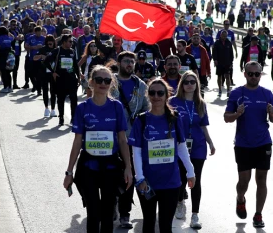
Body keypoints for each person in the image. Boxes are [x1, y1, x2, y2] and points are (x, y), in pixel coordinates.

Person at [63, 65, 133, 233]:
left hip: (111, 167)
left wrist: (128, 168)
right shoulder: (82, 108)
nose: (103, 83)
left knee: (108, 214)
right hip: (88, 166)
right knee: (93, 213)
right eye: (99, 80)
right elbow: (77, 141)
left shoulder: (116, 107)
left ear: (111, 84)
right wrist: (69, 172)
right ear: (91, 82)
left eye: (107, 80)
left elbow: (122, 140)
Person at [128, 78, 196, 233]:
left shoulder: (175, 117)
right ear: (147, 95)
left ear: (167, 95)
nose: (156, 96)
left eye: (160, 92)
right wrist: (139, 178)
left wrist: (190, 171)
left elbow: (181, 147)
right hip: (148, 182)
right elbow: (136, 152)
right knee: (149, 223)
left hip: (171, 182)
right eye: (152, 92)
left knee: (166, 226)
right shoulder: (141, 119)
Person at [224, 61, 273, 228]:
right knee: (244, 181)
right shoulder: (236, 93)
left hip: (263, 142)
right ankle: (240, 198)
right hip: (243, 143)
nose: (254, 77)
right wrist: (236, 114)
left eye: (257, 74)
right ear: (245, 74)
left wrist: (272, 114)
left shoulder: (267, 94)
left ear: (260, 75)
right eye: (251, 74)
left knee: (261, 180)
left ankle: (258, 214)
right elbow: (227, 117)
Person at [169, 71, 215, 229]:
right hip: (179, 146)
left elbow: (203, 126)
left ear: (197, 85)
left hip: (198, 146)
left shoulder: (200, 103)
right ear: (182, 84)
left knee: (195, 179)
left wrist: (210, 143)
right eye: (187, 82)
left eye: (193, 82)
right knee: (181, 178)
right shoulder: (173, 101)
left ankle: (195, 215)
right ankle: (180, 203)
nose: (189, 84)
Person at [111, 51, 149, 229]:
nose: (129, 64)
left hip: (133, 139)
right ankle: (112, 203)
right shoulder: (109, 82)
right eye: (126, 61)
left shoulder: (140, 85)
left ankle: (125, 213)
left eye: (131, 62)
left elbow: (145, 110)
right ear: (119, 63)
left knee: (129, 176)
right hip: (110, 139)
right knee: (110, 176)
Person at [44, 34, 82, 125]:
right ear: (64, 42)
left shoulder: (72, 51)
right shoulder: (57, 51)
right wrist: (53, 72)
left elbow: (76, 66)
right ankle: (61, 117)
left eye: (72, 41)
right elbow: (45, 61)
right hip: (60, 79)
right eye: (70, 41)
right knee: (60, 99)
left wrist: (79, 77)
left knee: (74, 99)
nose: (71, 43)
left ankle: (73, 118)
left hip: (72, 79)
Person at [33, 35, 58, 117]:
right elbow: (34, 58)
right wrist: (41, 56)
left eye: (51, 41)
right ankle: (46, 108)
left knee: (53, 92)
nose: (50, 42)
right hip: (44, 73)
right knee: (45, 91)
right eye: (48, 41)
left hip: (53, 73)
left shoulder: (56, 50)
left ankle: (53, 109)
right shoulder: (43, 49)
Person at [0, 26, 14, 93]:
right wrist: (8, 33)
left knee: (3, 72)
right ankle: (10, 87)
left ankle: (5, 87)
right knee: (8, 72)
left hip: (2, 55)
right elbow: (13, 38)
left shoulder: (0, 38)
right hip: (9, 55)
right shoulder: (9, 37)